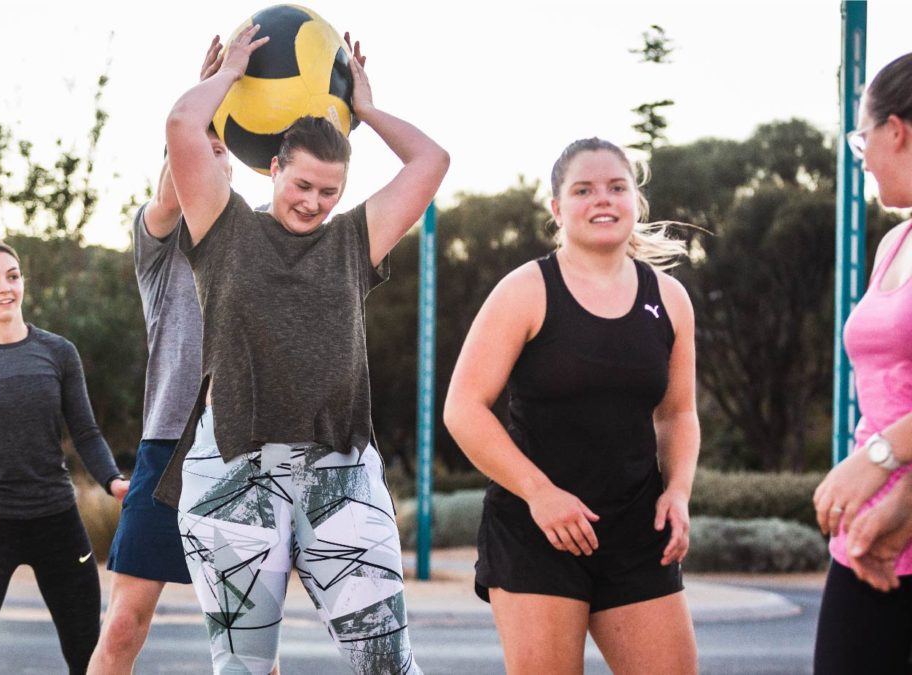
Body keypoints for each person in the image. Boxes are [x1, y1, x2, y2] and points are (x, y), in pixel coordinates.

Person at [155, 26, 448, 675]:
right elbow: (182, 124)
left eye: (329, 191)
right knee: (244, 669)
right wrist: (226, 78)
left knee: (389, 666)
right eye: (303, 184)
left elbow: (431, 162)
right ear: (275, 167)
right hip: (234, 473)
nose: (313, 202)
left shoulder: (353, 240)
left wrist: (365, 108)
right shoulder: (223, 228)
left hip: (339, 471)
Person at [443, 137, 699, 674]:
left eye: (616, 187)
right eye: (583, 190)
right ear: (558, 209)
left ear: (635, 201)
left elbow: (677, 413)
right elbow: (464, 408)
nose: (602, 200)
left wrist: (678, 492)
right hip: (536, 531)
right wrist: (541, 494)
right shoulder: (526, 291)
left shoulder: (670, 298)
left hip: (636, 532)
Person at [88, 37, 283, 675]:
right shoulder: (159, 245)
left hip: (247, 455)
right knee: (121, 629)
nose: (206, 159)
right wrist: (204, 105)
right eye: (197, 151)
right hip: (167, 451)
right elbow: (173, 188)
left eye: (219, 152)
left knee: (250, 644)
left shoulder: (266, 241)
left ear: (237, 170)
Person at [0, 240, 128, 675]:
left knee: (87, 655)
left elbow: (86, 432)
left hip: (58, 521)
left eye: (12, 275)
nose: (5, 288)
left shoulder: (59, 353)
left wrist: (112, 481)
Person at [811, 51, 912, 672]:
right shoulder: (894, 242)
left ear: (896, 131)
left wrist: (879, 459)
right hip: (876, 539)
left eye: (863, 136)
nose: (864, 155)